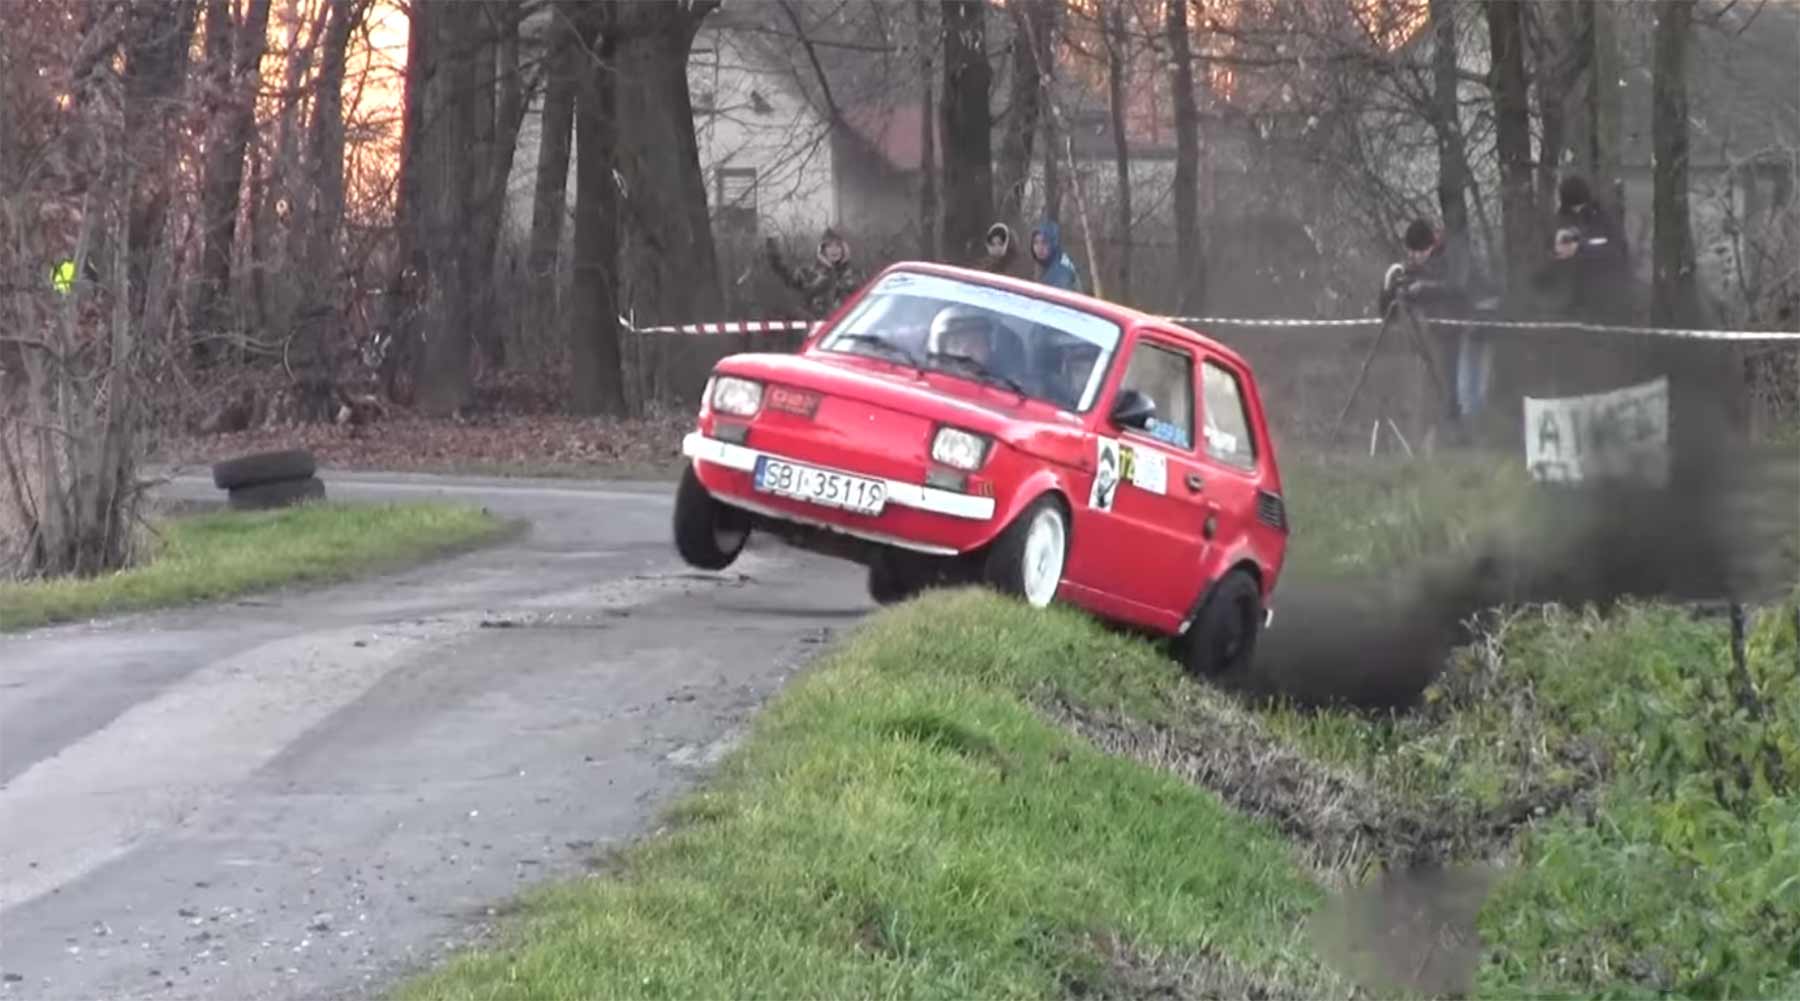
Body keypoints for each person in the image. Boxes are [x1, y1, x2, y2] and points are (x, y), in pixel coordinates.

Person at [766, 227, 866, 320]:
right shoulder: (810, 273)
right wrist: (774, 254)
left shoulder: (856, 274)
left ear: (844, 249)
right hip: (819, 330)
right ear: (823, 249)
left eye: (837, 245)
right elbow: (786, 274)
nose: (834, 250)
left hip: (849, 327)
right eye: (829, 246)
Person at [1029, 221, 1080, 291]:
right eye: (1035, 242)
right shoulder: (1047, 265)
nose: (1039, 247)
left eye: (1044, 242)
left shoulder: (1061, 271)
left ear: (1053, 243)